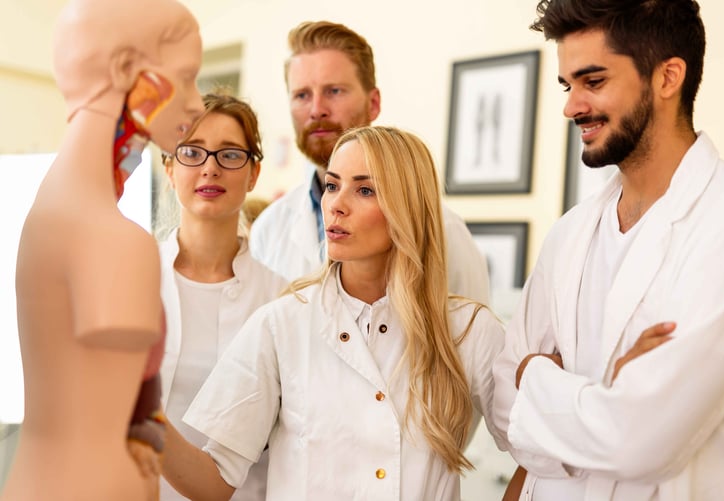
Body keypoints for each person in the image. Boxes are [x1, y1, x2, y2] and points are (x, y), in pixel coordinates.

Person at [492, 1, 724, 500]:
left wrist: (538, 377)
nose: (571, 106)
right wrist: (605, 394)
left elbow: (643, 440)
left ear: (667, 77)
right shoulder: (569, 234)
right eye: (569, 86)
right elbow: (506, 410)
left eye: (594, 82)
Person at [161, 125, 506, 500]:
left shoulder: (469, 330)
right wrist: (142, 415)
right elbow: (214, 481)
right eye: (331, 185)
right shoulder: (281, 325)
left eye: (364, 190)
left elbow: (541, 451)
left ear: (407, 207)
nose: (336, 205)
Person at [0, 0, 204, 500]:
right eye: (188, 76)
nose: (198, 103)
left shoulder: (48, 216)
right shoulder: (111, 239)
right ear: (124, 71)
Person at [250, 21, 491, 304]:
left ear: (373, 103)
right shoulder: (270, 229)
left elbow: (469, 339)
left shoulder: (444, 231)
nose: (316, 110)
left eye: (334, 91)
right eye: (302, 95)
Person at [158, 93, 287, 500]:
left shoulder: (282, 300)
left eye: (230, 155)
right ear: (169, 167)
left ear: (253, 174)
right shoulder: (128, 281)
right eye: (192, 152)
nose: (210, 168)